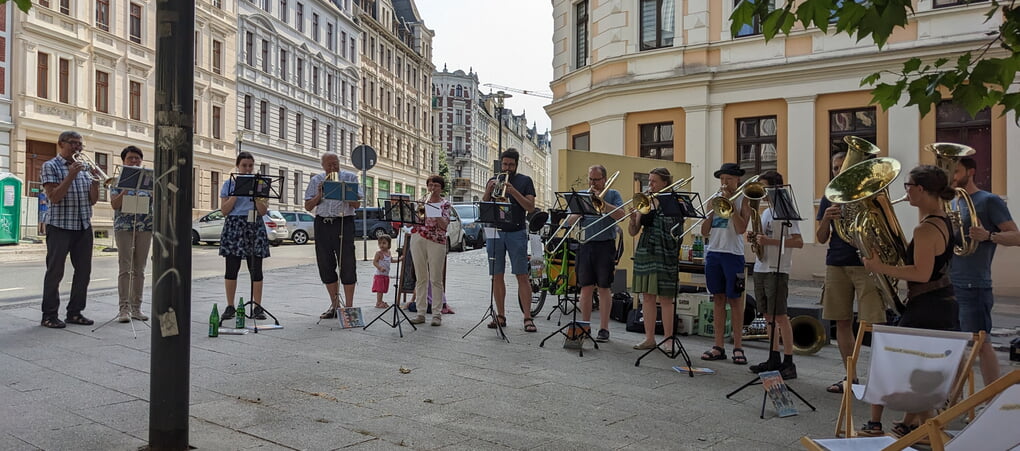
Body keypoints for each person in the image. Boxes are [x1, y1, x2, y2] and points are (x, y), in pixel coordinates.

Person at [860, 164, 961, 436]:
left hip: (928, 305)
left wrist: (879, 267)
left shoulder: (925, 230)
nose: (905, 192)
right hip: (939, 302)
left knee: (901, 364)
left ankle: (924, 428)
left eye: (907, 186)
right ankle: (910, 425)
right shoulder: (942, 219)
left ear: (920, 189)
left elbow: (921, 272)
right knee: (921, 369)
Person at [817, 151, 885, 394]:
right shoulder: (830, 197)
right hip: (836, 262)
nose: (838, 172)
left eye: (841, 167)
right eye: (835, 169)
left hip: (866, 264)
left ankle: (879, 378)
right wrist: (826, 219)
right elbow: (821, 237)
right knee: (841, 321)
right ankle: (850, 377)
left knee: (872, 323)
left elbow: (882, 232)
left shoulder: (871, 194)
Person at [950, 157, 1019, 385]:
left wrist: (989, 235)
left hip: (974, 284)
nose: (952, 176)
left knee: (982, 344)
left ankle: (992, 400)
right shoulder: (952, 201)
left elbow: (1017, 236)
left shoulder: (989, 200)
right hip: (951, 283)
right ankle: (952, 399)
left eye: (956, 171)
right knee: (954, 344)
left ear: (971, 171)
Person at [39, 131, 99, 328]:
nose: (77, 148)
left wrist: (96, 182)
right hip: (60, 226)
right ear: (60, 144)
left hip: (83, 225)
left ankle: (75, 312)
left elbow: (93, 200)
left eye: (80, 144)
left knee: (84, 272)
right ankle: (49, 315)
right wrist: (71, 175)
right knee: (55, 272)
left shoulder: (84, 167)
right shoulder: (51, 166)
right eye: (73, 143)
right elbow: (54, 197)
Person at [746, 171, 803, 379]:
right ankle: (773, 356)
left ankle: (789, 361)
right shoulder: (766, 212)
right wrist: (755, 237)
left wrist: (769, 242)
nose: (761, 193)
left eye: (764, 188)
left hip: (777, 269)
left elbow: (798, 241)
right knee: (768, 316)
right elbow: (764, 236)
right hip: (762, 267)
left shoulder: (785, 210)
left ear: (775, 188)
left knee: (780, 316)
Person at [700, 162, 751, 364]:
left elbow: (741, 229)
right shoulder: (714, 199)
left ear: (737, 179)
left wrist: (730, 205)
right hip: (714, 252)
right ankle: (718, 345)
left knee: (736, 301)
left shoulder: (743, 199)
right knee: (718, 299)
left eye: (728, 179)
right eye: (722, 179)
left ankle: (738, 346)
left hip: (733, 254)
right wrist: (713, 211)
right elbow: (704, 231)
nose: (724, 182)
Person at [567, 165, 625, 342]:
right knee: (585, 287)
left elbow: (622, 215)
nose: (593, 183)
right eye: (591, 179)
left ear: (604, 179)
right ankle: (584, 326)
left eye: (597, 180)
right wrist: (579, 211)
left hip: (605, 245)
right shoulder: (582, 195)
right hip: (585, 244)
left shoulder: (613, 194)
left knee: (604, 287)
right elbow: (569, 221)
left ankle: (604, 329)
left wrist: (602, 203)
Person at [483, 148, 538, 332]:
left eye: (511, 165)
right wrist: (488, 191)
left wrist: (514, 192)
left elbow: (530, 207)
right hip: (495, 231)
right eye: (505, 164)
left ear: (516, 164)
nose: (507, 168)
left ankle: (527, 317)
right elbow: (484, 206)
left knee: (521, 274)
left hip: (516, 231)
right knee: (496, 275)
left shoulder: (525, 181)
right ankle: (500, 315)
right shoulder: (493, 180)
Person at [304, 152, 362, 319]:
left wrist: (344, 192)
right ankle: (335, 305)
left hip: (344, 222)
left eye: (335, 163)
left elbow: (357, 204)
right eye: (329, 165)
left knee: (348, 263)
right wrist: (319, 194)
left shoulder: (350, 177)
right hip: (323, 223)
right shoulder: (316, 180)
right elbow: (308, 206)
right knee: (325, 264)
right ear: (323, 166)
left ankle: (349, 308)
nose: (333, 167)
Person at [630, 168, 681, 349]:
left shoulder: (673, 202)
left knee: (666, 298)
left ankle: (668, 339)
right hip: (646, 250)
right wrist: (633, 217)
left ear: (664, 183)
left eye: (654, 181)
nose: (649, 185)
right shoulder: (645, 201)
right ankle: (649, 338)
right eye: (649, 181)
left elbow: (677, 229)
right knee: (647, 296)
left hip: (665, 252)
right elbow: (633, 231)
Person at [218, 151, 270, 322]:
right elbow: (224, 210)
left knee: (256, 269)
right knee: (231, 268)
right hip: (234, 225)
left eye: (250, 166)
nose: (247, 169)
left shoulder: (260, 184)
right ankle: (230, 305)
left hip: (254, 225)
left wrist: (255, 196)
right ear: (238, 167)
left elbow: (262, 211)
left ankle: (257, 306)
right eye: (244, 166)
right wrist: (238, 192)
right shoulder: (229, 184)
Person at [110, 146, 152, 323]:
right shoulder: (116, 180)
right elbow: (114, 205)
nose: (134, 161)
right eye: (130, 158)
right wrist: (126, 189)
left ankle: (137, 308)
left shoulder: (148, 179)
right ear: (123, 161)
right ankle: (123, 309)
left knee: (140, 269)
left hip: (145, 227)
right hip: (124, 227)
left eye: (137, 158)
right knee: (125, 267)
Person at [409, 175, 451, 327]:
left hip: (436, 240)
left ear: (441, 188)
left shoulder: (445, 204)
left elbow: (444, 225)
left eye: (436, 186)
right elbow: (417, 219)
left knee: (436, 278)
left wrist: (434, 210)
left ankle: (436, 314)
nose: (433, 188)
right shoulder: (421, 200)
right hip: (419, 238)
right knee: (420, 277)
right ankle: (420, 312)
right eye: (430, 185)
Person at [371, 235, 399, 309]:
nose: (381, 245)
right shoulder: (379, 253)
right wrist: (380, 267)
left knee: (383, 289)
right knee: (380, 289)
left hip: (385, 275)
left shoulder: (388, 252)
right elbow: (374, 262)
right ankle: (378, 302)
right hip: (379, 274)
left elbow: (391, 260)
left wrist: (400, 259)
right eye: (380, 243)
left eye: (384, 243)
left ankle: (381, 301)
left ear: (389, 244)